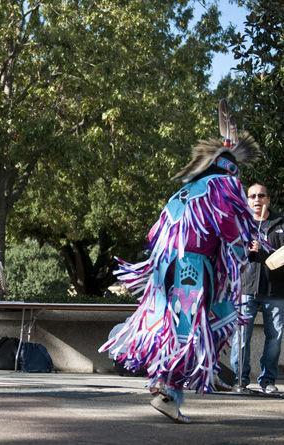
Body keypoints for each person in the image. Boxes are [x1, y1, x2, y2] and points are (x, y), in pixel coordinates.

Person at [100, 133, 259, 423]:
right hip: (192, 268)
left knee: (171, 327)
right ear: (230, 168)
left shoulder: (182, 193)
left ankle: (163, 379)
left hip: (166, 269)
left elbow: (152, 234)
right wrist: (240, 257)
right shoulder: (222, 184)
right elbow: (228, 224)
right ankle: (169, 392)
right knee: (197, 329)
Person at [230, 183, 284, 394]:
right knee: (241, 336)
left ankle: (267, 381)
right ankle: (240, 380)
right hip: (246, 287)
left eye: (261, 195)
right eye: (252, 196)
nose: (257, 199)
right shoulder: (240, 224)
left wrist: (265, 251)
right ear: (247, 200)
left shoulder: (280, 223)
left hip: (276, 289)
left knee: (275, 338)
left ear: (268, 199)